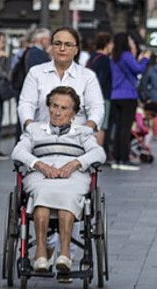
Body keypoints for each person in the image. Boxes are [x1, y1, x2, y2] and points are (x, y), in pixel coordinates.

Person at [11, 86, 106, 276]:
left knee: (68, 193)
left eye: (64, 108)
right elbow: (18, 151)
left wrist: (75, 163)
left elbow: (99, 153)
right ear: (48, 107)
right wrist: (39, 164)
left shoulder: (82, 132)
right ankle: (40, 254)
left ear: (74, 113)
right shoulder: (35, 129)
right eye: (54, 106)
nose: (57, 112)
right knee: (42, 192)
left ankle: (64, 254)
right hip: (41, 174)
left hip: (73, 176)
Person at [17, 27, 104, 138]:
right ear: (51, 47)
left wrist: (86, 129)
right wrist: (30, 127)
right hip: (41, 139)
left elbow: (96, 108)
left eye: (68, 44)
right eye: (57, 43)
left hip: (77, 140)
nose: (62, 48)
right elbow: (26, 104)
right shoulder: (36, 73)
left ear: (76, 49)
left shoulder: (88, 76)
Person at [105, 33, 149, 171]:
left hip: (115, 95)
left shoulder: (113, 57)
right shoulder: (126, 55)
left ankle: (117, 158)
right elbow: (138, 69)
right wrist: (144, 60)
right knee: (126, 128)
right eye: (130, 39)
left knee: (118, 128)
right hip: (128, 95)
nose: (131, 42)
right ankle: (124, 158)